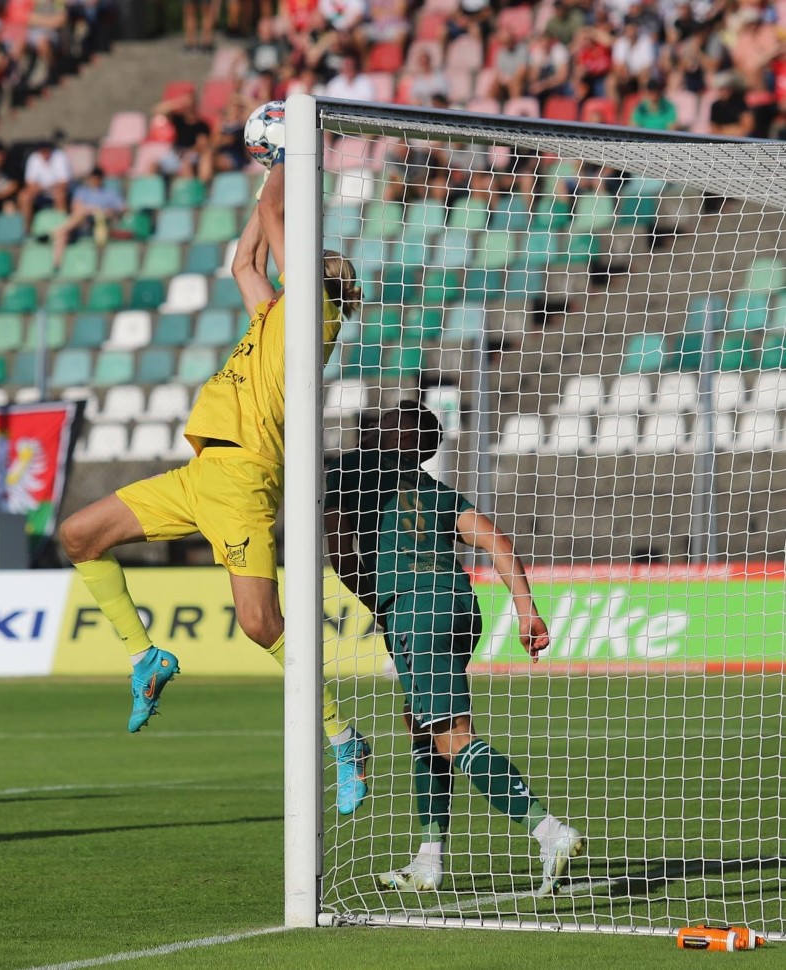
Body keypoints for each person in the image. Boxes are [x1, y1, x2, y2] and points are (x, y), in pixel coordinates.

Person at [58, 155, 371, 815]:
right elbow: (244, 265)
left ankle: (344, 739)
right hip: (201, 473)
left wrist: (284, 159)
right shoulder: (274, 321)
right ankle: (146, 658)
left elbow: (271, 219)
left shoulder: (312, 317)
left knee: (261, 625)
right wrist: (271, 175)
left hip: (244, 480)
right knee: (80, 535)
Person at [324, 403, 585, 893]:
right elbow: (496, 541)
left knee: (451, 737)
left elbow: (340, 552)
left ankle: (549, 831)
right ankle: (429, 857)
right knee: (422, 728)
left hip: (414, 611)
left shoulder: (354, 482)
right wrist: (526, 610)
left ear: (390, 437)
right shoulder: (440, 494)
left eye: (381, 425)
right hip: (461, 608)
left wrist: (377, 603)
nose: (372, 428)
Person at [51, 166, 125, 268]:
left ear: (100, 179)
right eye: (92, 178)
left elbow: (122, 208)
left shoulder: (109, 194)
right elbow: (76, 207)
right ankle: (56, 264)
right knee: (63, 235)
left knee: (75, 219)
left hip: (98, 222)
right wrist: (90, 209)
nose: (93, 181)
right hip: (81, 222)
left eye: (96, 178)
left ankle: (59, 230)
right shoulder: (83, 191)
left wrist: (103, 211)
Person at [18, 139, 72, 230]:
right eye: (42, 150)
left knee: (59, 195)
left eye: (46, 150)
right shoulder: (33, 158)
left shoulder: (60, 156)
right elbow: (29, 183)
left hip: (56, 191)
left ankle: (61, 230)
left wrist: (46, 188)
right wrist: (42, 188)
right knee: (24, 196)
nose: (44, 153)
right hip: (40, 192)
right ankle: (27, 229)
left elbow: (64, 183)